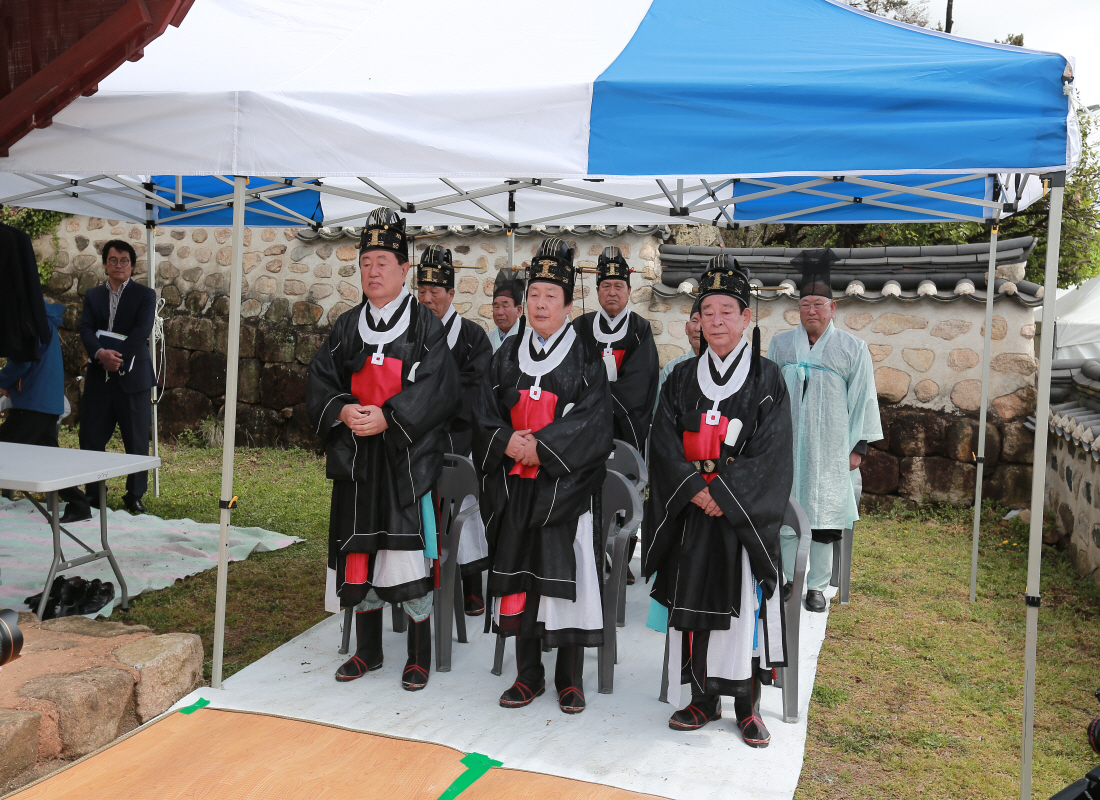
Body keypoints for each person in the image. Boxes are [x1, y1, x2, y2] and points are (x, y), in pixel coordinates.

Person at [307, 208, 460, 691]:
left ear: (404, 270)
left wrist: (389, 417)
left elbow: (440, 390)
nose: (373, 271)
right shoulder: (347, 326)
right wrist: (342, 410)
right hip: (357, 460)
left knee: (406, 555)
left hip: (404, 462)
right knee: (361, 552)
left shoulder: (425, 328)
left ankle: (419, 654)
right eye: (366, 261)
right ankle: (367, 651)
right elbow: (320, 379)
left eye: (383, 262)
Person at [645, 255, 793, 746]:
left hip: (739, 521)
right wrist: (695, 490)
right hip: (692, 515)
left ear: (747, 317)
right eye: (708, 311)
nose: (717, 320)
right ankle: (702, 698)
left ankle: (748, 705)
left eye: (727, 310)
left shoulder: (768, 379)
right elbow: (663, 443)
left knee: (744, 606)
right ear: (698, 320)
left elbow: (772, 454)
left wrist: (723, 495)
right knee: (693, 604)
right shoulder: (683, 378)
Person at [473, 237, 612, 715]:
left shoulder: (587, 358)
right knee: (519, 580)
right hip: (515, 488)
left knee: (566, 579)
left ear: (569, 305)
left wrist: (543, 448)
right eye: (534, 295)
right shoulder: (506, 356)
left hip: (565, 492)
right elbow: (484, 412)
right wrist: (505, 441)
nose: (539, 304)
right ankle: (527, 673)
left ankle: (569, 680)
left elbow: (594, 423)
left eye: (550, 296)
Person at [767, 249, 883, 613]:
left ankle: (816, 585)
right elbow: (768, 394)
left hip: (832, 447)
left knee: (824, 513)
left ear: (832, 308)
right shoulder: (781, 345)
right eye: (804, 304)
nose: (811, 311)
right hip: (786, 444)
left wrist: (857, 448)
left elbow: (864, 399)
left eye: (818, 304)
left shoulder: (853, 348)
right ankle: (788, 578)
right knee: (787, 507)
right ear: (797, 309)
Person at [414, 244, 494, 616]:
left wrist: (430, 401)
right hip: (415, 436)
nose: (427, 299)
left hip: (459, 441)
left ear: (451, 292)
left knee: (466, 508)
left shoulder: (473, 338)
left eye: (435, 292)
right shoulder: (408, 334)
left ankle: (472, 583)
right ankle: (419, 579)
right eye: (422, 291)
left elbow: (475, 396)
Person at [74, 239, 156, 517]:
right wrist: (99, 354)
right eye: (113, 260)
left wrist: (115, 358)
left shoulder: (146, 295)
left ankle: (134, 496)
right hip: (99, 376)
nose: (118, 265)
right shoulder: (93, 295)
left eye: (124, 260)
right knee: (90, 436)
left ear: (132, 265)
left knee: (135, 440)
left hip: (133, 376)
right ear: (105, 263)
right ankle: (94, 493)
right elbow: (85, 327)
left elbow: (141, 330)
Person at [0, 301, 88, 517]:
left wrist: (3, 381)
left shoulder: (29, 320)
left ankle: (79, 504)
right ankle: (79, 505)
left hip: (34, 402)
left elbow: (22, 360)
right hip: (43, 400)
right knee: (49, 460)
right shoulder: (40, 318)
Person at [572, 247, 658, 453]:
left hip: (623, 422)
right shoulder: (580, 326)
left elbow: (641, 382)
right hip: (585, 422)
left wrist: (598, 399)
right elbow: (570, 374)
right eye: (606, 286)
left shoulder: (640, 329)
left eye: (619, 286)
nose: (612, 292)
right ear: (597, 290)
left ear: (629, 291)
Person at [653, 303, 702, 417]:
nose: (698, 328)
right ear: (686, 327)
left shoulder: (721, 368)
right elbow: (659, 414)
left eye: (704, 322)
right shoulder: (671, 369)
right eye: (694, 321)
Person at [488, 281, 523, 352]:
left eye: (505, 306)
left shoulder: (529, 337)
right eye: (496, 307)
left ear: (519, 310)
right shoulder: (486, 339)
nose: (500, 312)